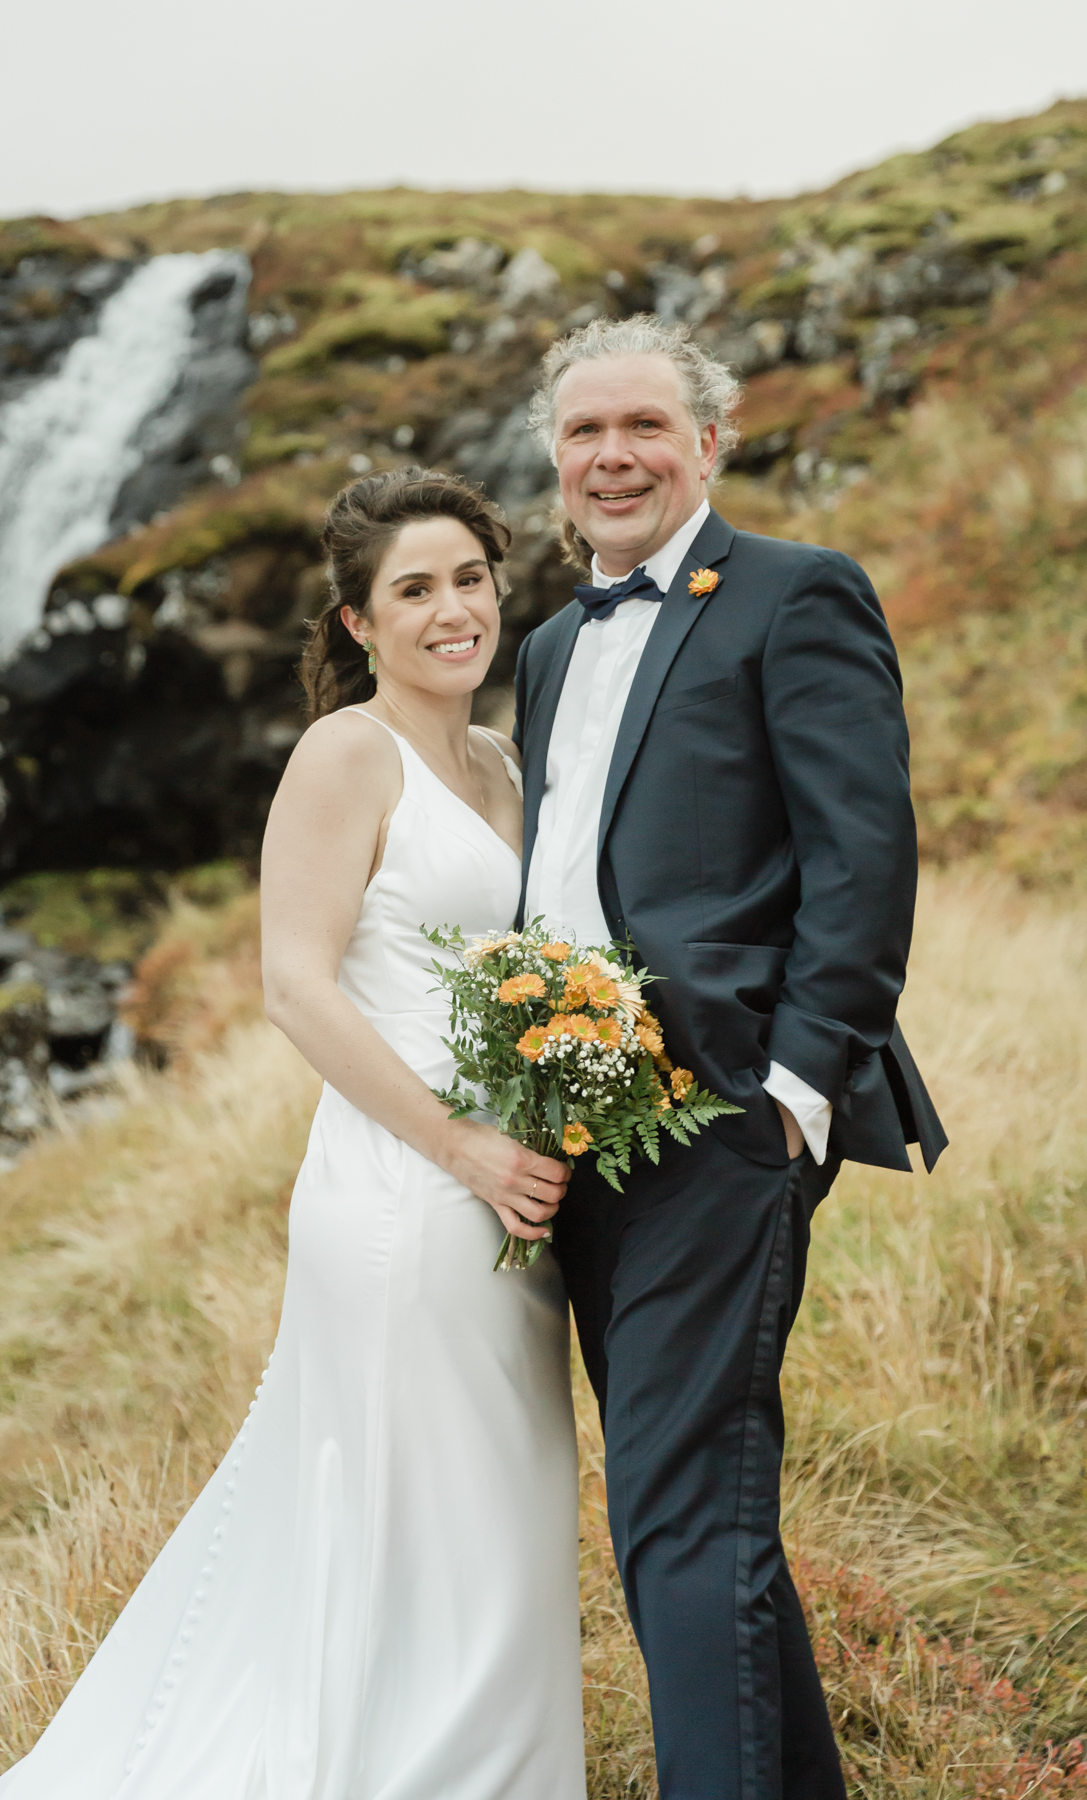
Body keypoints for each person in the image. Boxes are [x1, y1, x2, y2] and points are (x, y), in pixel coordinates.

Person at [0, 469, 588, 1800]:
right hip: (407, 1185)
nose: (451, 610)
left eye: (469, 579)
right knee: (417, 1516)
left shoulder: (505, 762)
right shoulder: (345, 756)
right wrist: (462, 1149)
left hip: (514, 1192)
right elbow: (296, 985)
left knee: (501, 1524)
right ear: (361, 624)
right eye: (413, 591)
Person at [513, 313, 948, 1800]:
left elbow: (865, 852)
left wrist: (799, 1091)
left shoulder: (795, 595)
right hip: (578, 1135)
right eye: (585, 432)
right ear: (554, 459)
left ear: (711, 441)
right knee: (688, 1517)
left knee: (680, 1513)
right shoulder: (552, 646)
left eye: (643, 426)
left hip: (723, 1117)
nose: (613, 455)